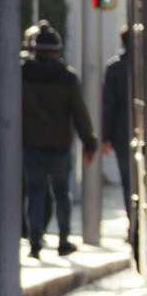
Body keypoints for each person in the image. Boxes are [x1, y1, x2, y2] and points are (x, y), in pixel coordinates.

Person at [21, 20, 98, 259]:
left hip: (31, 144)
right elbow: (80, 113)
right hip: (60, 145)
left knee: (34, 194)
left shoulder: (22, 74)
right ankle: (64, 239)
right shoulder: (67, 77)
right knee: (61, 194)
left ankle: (35, 242)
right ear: (57, 50)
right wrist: (89, 141)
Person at [102, 28, 133, 250]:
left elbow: (109, 105)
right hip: (126, 134)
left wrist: (105, 137)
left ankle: (133, 227)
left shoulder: (115, 67)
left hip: (123, 135)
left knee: (129, 182)